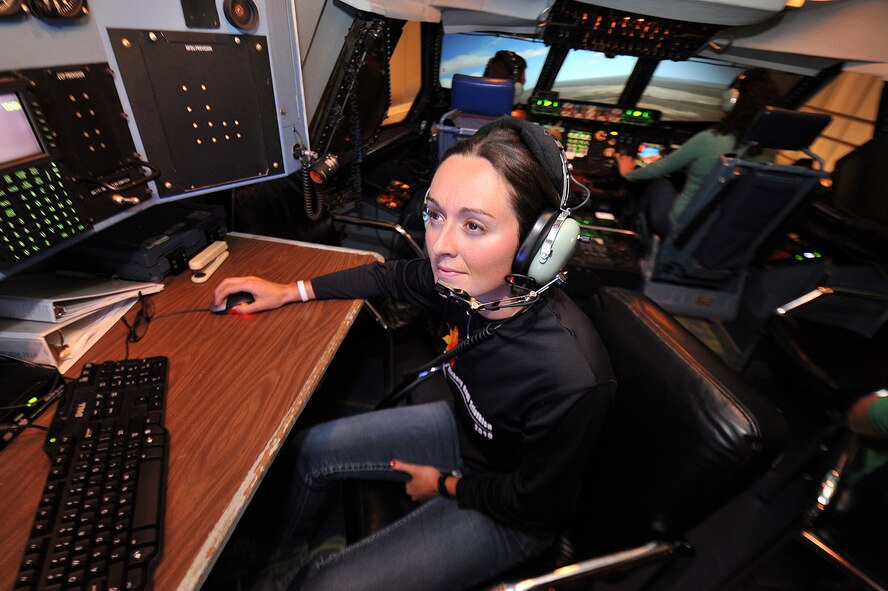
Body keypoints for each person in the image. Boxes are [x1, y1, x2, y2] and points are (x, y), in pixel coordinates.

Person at [213, 117, 616, 591]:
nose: (440, 246)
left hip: (513, 514)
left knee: (325, 585)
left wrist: (442, 483)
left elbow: (533, 504)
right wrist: (290, 290)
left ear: (539, 247)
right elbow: (385, 275)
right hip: (467, 437)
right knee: (310, 449)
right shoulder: (461, 283)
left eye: (473, 225)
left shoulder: (570, 375)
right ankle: (282, 561)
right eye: (435, 215)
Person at [616, 69, 780, 238]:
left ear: (733, 100)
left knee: (660, 183)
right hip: (718, 236)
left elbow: (661, 167)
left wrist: (629, 173)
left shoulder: (711, 138)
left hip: (679, 226)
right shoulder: (770, 153)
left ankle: (635, 240)